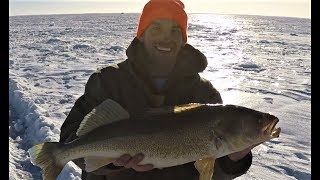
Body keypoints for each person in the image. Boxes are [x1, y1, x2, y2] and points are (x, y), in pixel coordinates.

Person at [59, 0, 255, 179]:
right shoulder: (107, 81)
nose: (165, 38)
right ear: (141, 35)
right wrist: (110, 163)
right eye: (156, 28)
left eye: (175, 31)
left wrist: (234, 160)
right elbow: (71, 139)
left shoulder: (205, 94)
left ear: (183, 39)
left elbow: (211, 173)